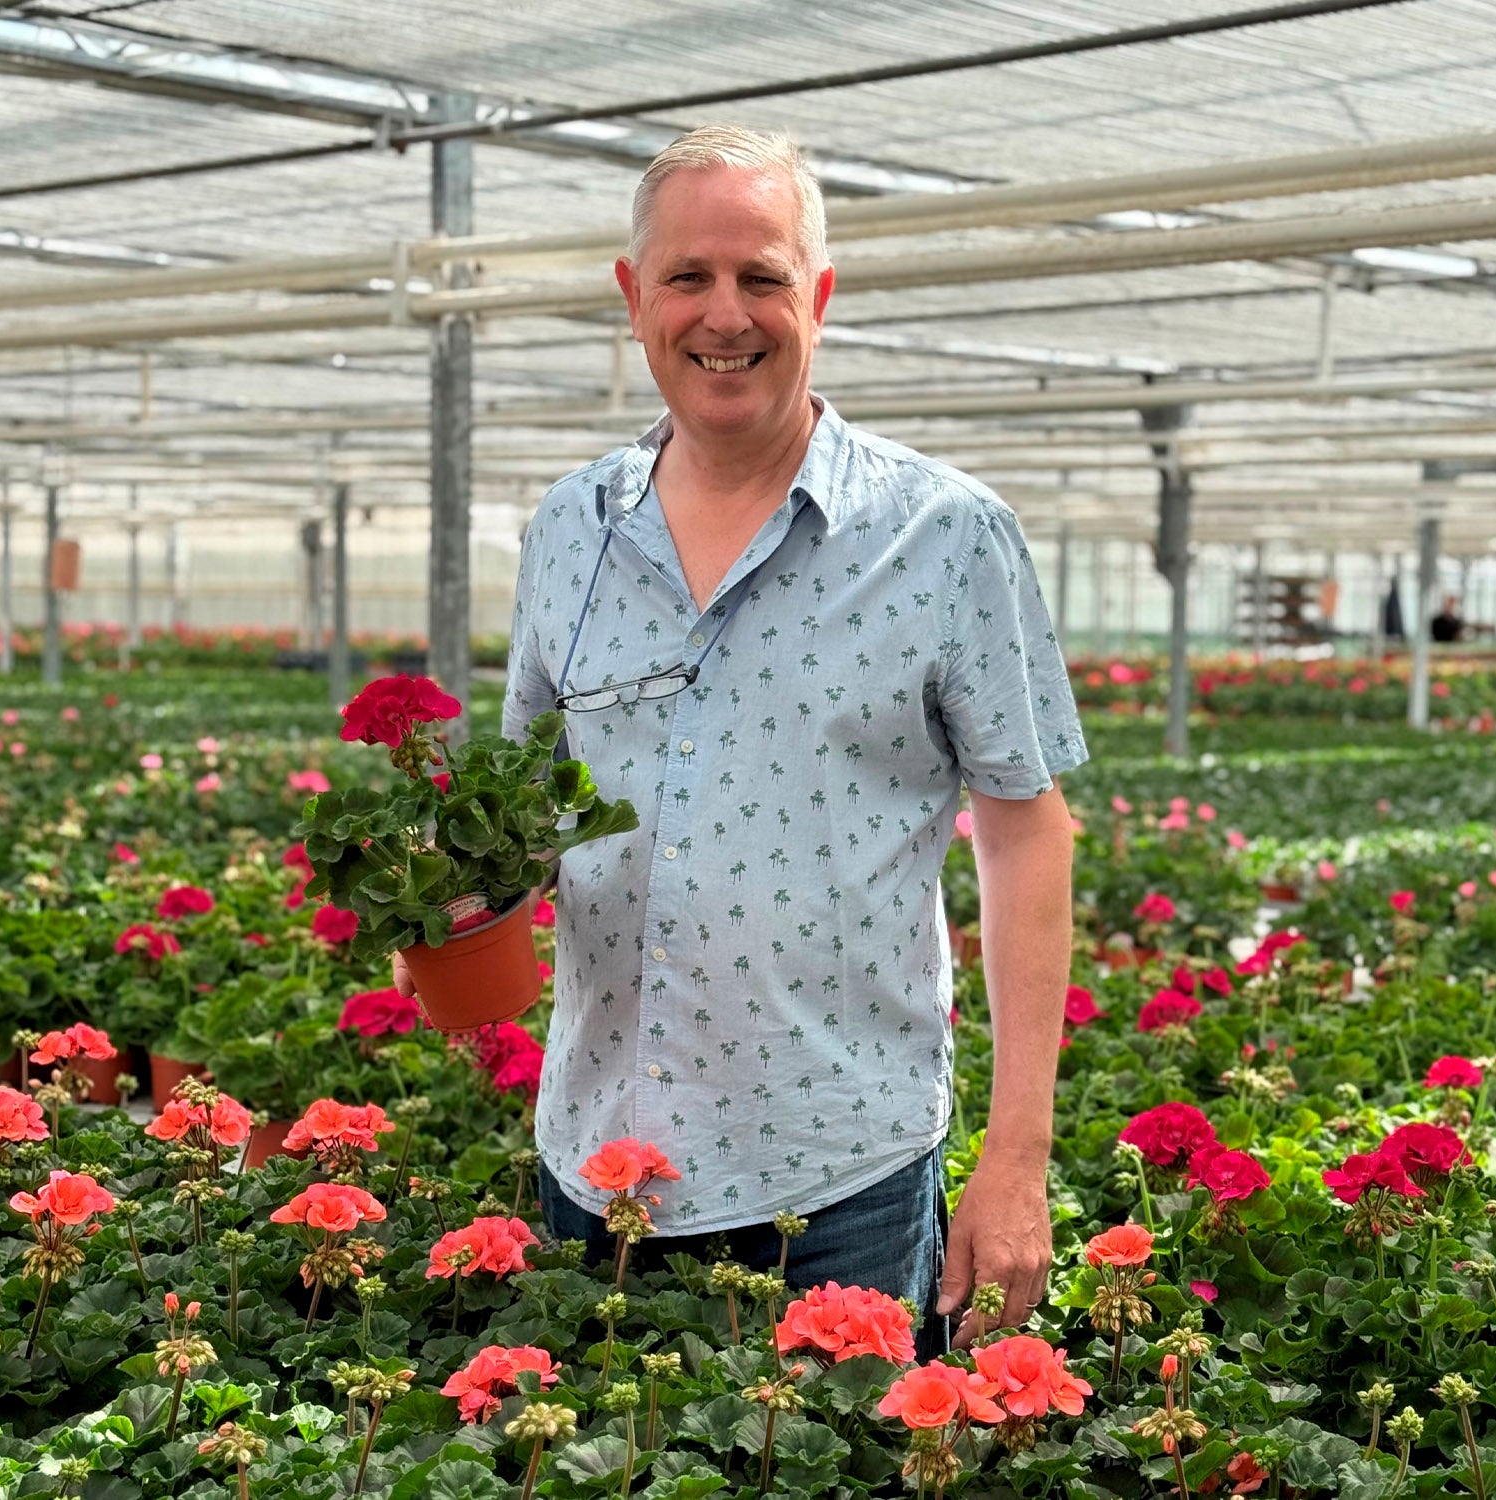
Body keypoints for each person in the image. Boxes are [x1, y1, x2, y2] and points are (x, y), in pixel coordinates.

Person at [408, 125, 1086, 1355]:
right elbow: (523, 807)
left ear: (817, 297)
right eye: (689, 277)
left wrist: (1018, 1157)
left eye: (762, 277)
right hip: (598, 1166)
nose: (727, 315)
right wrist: (433, 896)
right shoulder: (573, 529)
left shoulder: (944, 536)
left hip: (841, 1176)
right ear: (634, 298)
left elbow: (1027, 830)